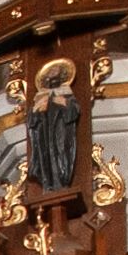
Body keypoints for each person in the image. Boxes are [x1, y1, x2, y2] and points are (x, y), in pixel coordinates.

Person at [24, 57, 80, 197]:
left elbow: (74, 110)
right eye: (50, 72)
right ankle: (47, 183)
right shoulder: (40, 95)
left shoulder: (66, 91)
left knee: (60, 152)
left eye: (55, 70)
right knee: (45, 155)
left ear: (62, 74)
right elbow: (31, 120)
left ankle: (61, 181)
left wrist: (62, 102)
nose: (52, 73)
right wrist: (37, 109)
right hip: (43, 130)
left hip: (60, 129)